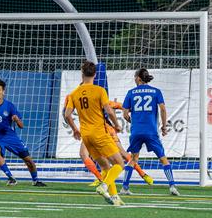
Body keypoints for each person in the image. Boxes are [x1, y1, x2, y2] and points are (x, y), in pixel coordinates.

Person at [64, 61, 125, 206]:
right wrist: (116, 124)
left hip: (86, 136)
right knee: (120, 163)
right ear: (95, 74)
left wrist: (75, 129)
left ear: (82, 73)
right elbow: (109, 110)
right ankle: (103, 186)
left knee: (105, 167)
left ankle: (115, 197)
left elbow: (67, 115)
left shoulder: (74, 93)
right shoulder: (100, 90)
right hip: (99, 133)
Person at [0, 79, 46, 187]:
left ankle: (36, 180)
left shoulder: (10, 106)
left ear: (3, 91)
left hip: (10, 136)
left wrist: (17, 119)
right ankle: (11, 178)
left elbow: (21, 126)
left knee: (28, 160)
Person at [122, 68, 180, 196]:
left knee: (133, 158)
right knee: (162, 158)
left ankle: (125, 187)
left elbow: (125, 114)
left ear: (138, 78)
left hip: (136, 131)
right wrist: (164, 127)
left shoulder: (131, 92)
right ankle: (172, 186)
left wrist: (134, 121)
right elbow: (163, 109)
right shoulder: (156, 91)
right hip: (151, 131)